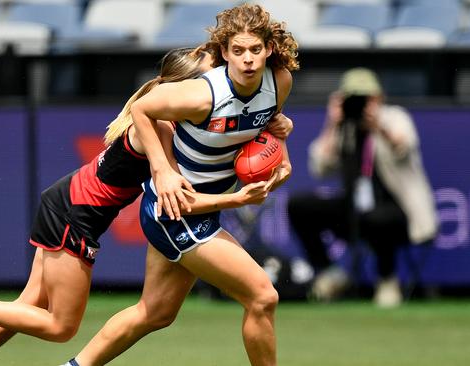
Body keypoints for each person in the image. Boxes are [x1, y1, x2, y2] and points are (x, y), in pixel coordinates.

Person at [0, 47, 293, 366]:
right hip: (75, 215)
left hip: (66, 201)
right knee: (59, 325)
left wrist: (269, 121)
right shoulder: (160, 129)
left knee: (29, 303)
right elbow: (182, 195)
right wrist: (239, 198)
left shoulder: (173, 121)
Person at [60, 4, 299, 366]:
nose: (248, 60)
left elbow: (264, 126)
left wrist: (282, 156)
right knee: (263, 296)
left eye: (254, 50)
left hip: (202, 209)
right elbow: (143, 109)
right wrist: (163, 170)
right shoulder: (202, 95)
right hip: (175, 211)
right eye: (237, 51)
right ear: (223, 52)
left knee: (154, 312)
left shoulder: (279, 81)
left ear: (268, 49)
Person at [286, 67, 439, 308]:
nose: (360, 105)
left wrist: (377, 126)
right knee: (300, 205)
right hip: (354, 209)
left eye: (366, 98)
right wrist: (331, 124)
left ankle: (387, 280)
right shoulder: (343, 127)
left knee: (378, 218)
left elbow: (404, 146)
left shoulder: (394, 117)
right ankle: (330, 272)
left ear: (379, 98)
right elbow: (320, 167)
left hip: (397, 211)